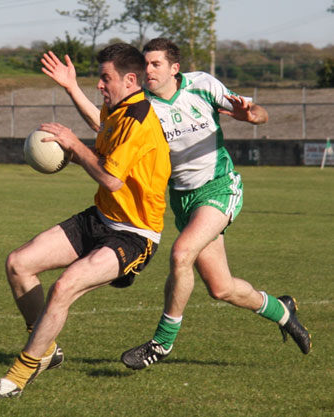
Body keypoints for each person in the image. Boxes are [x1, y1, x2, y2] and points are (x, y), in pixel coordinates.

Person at [38, 38, 312, 372]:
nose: (148, 71)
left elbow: (260, 113)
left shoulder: (203, 85)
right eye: (146, 64)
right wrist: (70, 87)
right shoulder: (142, 105)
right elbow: (103, 123)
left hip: (219, 186)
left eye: (155, 65)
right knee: (221, 287)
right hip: (182, 199)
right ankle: (282, 310)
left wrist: (253, 116)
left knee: (181, 254)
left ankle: (161, 343)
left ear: (174, 68)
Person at [0, 43, 171, 399]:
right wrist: (70, 89)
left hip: (134, 235)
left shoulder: (140, 118)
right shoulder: (118, 110)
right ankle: (47, 349)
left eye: (105, 78)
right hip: (100, 218)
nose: (99, 85)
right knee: (18, 264)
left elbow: (112, 179)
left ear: (130, 80)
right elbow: (101, 132)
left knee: (65, 286)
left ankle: (18, 377)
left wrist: (73, 144)